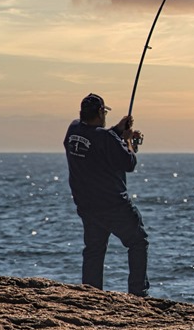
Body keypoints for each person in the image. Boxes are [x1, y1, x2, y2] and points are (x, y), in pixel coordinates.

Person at [63, 93, 150, 296]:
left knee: (94, 249)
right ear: (101, 112)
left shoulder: (73, 129)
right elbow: (129, 163)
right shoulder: (106, 138)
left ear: (81, 113)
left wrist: (118, 130)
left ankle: (90, 294)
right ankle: (138, 294)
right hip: (114, 205)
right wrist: (128, 141)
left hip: (87, 205)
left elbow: (97, 139)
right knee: (138, 241)